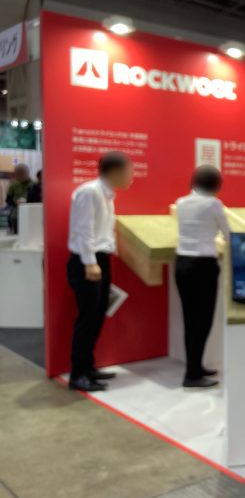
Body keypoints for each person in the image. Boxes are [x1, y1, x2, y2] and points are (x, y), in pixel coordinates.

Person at [67, 151, 133, 392]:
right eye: (129, 171)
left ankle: (88, 367)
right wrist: (90, 263)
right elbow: (83, 230)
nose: (131, 176)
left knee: (97, 316)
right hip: (87, 261)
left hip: (100, 259)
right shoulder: (89, 192)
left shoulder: (107, 195)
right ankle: (78, 374)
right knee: (87, 318)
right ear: (115, 171)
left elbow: (103, 231)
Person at [174, 165, 230, 389]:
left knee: (190, 320)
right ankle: (192, 374)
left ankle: (195, 367)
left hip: (182, 263)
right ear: (216, 185)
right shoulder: (213, 204)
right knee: (203, 320)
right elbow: (228, 234)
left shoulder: (180, 203)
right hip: (203, 266)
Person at [5, 163, 33, 234]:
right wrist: (16, 203)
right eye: (18, 174)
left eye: (22, 173)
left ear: (27, 173)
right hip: (16, 214)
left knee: (31, 233)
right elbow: (8, 200)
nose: (21, 176)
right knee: (17, 234)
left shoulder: (34, 184)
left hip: (31, 214)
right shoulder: (13, 185)